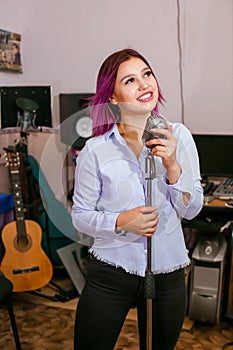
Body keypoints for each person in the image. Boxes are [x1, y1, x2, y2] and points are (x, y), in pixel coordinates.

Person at [71, 48, 203, 350]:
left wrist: (172, 165)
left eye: (147, 74)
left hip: (167, 275)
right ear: (113, 98)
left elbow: (192, 209)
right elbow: (80, 215)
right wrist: (120, 221)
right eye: (130, 80)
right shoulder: (95, 149)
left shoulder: (179, 136)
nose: (145, 85)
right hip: (109, 274)